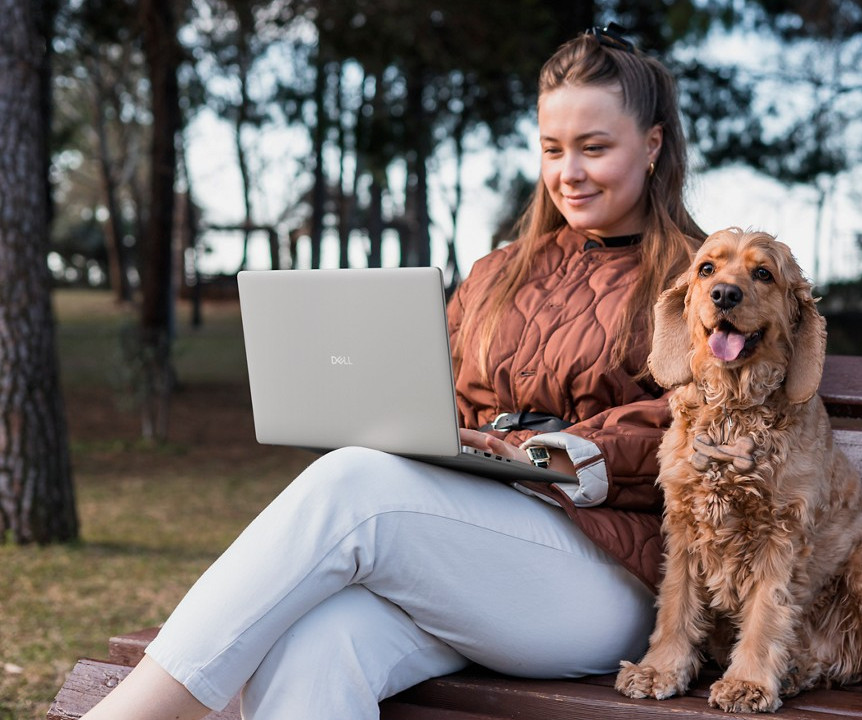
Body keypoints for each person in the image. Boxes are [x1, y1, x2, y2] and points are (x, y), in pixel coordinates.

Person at [83, 25, 705, 720]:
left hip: (613, 579)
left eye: (595, 147)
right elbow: (436, 400)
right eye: (553, 149)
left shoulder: (704, 277)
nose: (570, 172)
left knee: (356, 485)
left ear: (651, 145)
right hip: (467, 554)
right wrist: (451, 438)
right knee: (318, 647)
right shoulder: (499, 274)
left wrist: (540, 452)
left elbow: (707, 423)